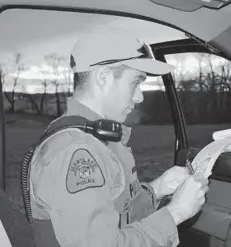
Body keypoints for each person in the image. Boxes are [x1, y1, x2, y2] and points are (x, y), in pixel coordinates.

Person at [29, 27, 209, 247]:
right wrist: (176, 213)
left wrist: (159, 188)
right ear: (103, 77)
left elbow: (117, 215)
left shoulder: (97, 139)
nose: (140, 96)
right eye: (136, 82)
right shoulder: (75, 151)